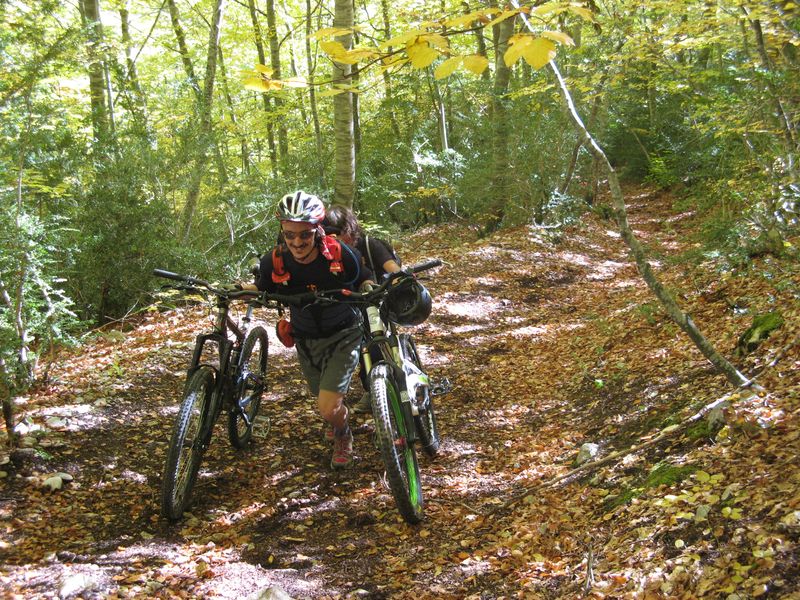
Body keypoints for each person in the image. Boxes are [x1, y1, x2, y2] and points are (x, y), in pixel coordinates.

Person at [240, 191, 374, 469]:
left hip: (343, 333)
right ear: (282, 231)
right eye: (289, 235)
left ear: (317, 230)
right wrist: (242, 291)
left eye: (304, 235)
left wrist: (368, 288)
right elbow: (264, 287)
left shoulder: (338, 254)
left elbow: (363, 278)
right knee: (326, 402)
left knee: (327, 407)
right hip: (305, 339)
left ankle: (343, 434)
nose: (297, 242)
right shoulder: (274, 261)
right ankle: (336, 419)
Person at [323, 205, 402, 413]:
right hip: (347, 307)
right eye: (330, 235)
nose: (336, 240)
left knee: (374, 345)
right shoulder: (326, 254)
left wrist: (398, 280)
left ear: (351, 230)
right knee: (355, 349)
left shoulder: (370, 245)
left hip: (376, 303)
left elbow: (393, 269)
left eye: (339, 234)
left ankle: (382, 387)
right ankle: (373, 387)